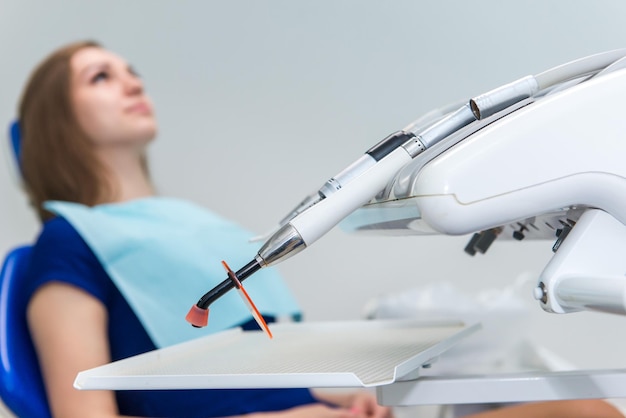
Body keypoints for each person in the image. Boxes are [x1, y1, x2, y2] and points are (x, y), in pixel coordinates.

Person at [16, 40, 392, 418]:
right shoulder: (67, 241)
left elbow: (253, 357)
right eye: (100, 77)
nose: (134, 85)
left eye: (133, 73)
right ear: (56, 120)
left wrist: (338, 399)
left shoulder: (193, 224)